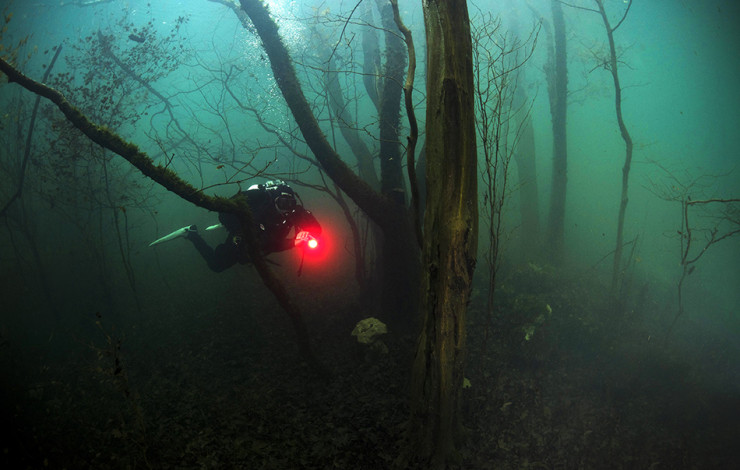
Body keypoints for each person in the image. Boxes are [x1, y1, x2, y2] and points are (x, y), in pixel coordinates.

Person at [150, 180, 321, 272]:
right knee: (217, 265)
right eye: (282, 202)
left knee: (243, 258)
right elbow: (266, 242)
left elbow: (317, 231)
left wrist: (305, 236)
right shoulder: (262, 202)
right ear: (274, 199)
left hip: (258, 236)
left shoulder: (292, 212)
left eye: (290, 203)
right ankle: (191, 233)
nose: (286, 208)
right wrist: (292, 242)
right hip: (243, 228)